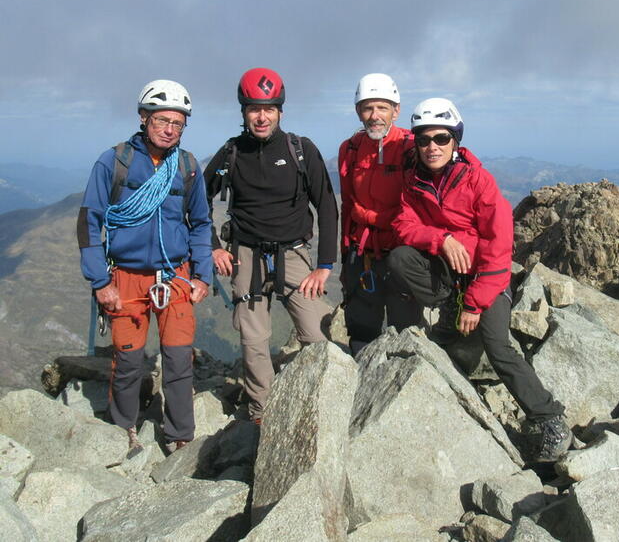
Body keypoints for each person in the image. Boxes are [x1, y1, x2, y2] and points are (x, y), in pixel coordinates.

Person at [387, 98, 573, 462]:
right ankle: (447, 312)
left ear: (455, 140)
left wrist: (473, 303)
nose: (431, 147)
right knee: (399, 258)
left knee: (497, 345)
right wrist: (441, 239)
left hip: (487, 280)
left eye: (440, 138)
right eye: (423, 140)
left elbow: (499, 249)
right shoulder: (415, 183)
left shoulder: (479, 182)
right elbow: (402, 225)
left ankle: (551, 419)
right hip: (447, 276)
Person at [78, 80, 212, 453]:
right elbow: (89, 223)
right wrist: (100, 281)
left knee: (178, 358)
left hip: (177, 276)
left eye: (178, 123)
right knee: (128, 360)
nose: (170, 129)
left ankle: (180, 435)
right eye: (162, 121)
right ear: (143, 118)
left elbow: (201, 223)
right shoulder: (115, 161)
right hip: (125, 277)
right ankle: (123, 428)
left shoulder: (186, 167)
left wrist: (202, 273)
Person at [204, 67, 337, 424]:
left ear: (280, 111)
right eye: (253, 109)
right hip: (245, 255)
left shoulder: (300, 150)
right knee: (254, 339)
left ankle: (322, 402)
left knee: (317, 332)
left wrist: (325, 265)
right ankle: (261, 414)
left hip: (293, 253)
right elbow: (198, 198)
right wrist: (214, 246)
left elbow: (326, 203)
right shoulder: (232, 153)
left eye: (269, 109)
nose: (261, 117)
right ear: (244, 111)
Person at [338, 73, 420, 354]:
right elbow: (347, 205)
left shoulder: (411, 148)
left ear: (396, 111)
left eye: (382, 107)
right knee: (361, 328)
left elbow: (418, 208)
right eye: (368, 107)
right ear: (358, 111)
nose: (375, 116)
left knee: (405, 329)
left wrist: (371, 217)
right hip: (362, 254)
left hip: (399, 251)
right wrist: (345, 260)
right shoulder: (350, 149)